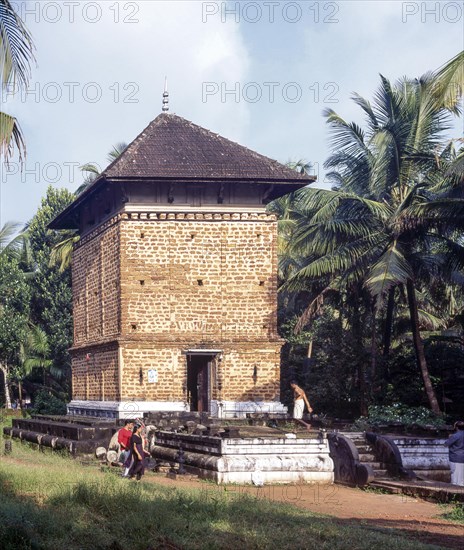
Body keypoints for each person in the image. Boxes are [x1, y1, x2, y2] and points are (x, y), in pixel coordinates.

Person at [445, 421, 464, 486]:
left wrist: (450, 437)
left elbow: (446, 444)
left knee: (455, 477)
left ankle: (455, 490)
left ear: (456, 427)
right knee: (462, 477)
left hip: (455, 457)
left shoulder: (455, 435)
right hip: (462, 457)